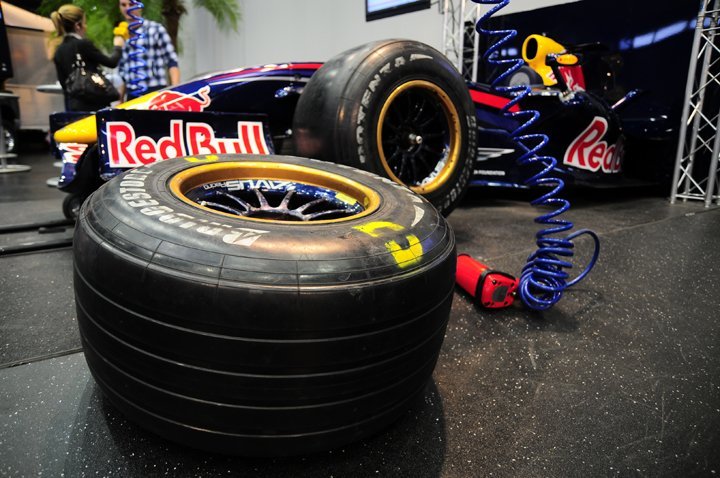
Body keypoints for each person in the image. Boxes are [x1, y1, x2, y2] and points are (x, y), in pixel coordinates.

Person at [51, 5, 125, 112]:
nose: (86, 27)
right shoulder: (83, 44)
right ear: (78, 25)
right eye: (84, 22)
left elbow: (64, 84)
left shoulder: (59, 51)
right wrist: (118, 46)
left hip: (74, 106)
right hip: (95, 103)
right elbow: (111, 63)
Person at [117, 0, 180, 100]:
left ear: (139, 6)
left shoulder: (155, 29)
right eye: (123, 5)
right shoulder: (122, 35)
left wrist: (176, 92)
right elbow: (125, 71)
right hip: (132, 95)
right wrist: (120, 99)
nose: (127, 8)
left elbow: (172, 62)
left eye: (131, 4)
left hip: (155, 92)